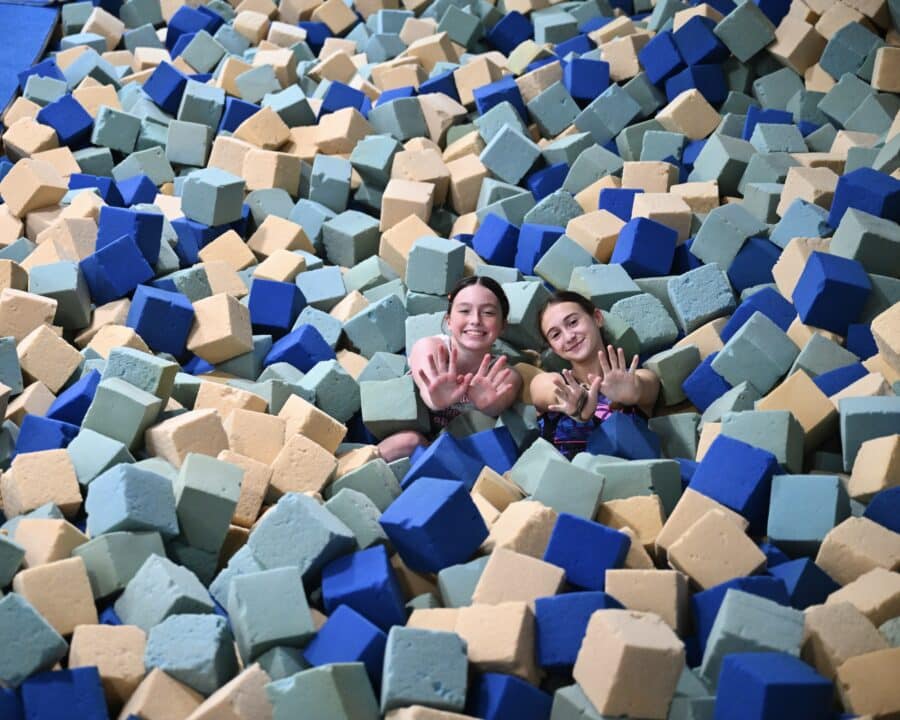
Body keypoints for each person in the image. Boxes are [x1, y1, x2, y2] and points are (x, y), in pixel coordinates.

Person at [377, 276, 523, 462]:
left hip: (458, 458)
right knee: (410, 441)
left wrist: (488, 406)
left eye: (488, 312)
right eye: (464, 310)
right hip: (405, 440)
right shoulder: (429, 348)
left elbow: (498, 404)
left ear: (503, 325)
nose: (475, 320)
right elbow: (427, 390)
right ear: (449, 320)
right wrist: (436, 400)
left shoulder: (505, 373)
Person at [530, 291, 660, 459]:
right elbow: (545, 390)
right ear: (552, 348)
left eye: (573, 322)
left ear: (597, 318)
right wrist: (576, 403)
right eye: (556, 335)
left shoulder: (636, 376)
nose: (569, 337)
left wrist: (634, 391)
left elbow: (647, 385)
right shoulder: (549, 382)